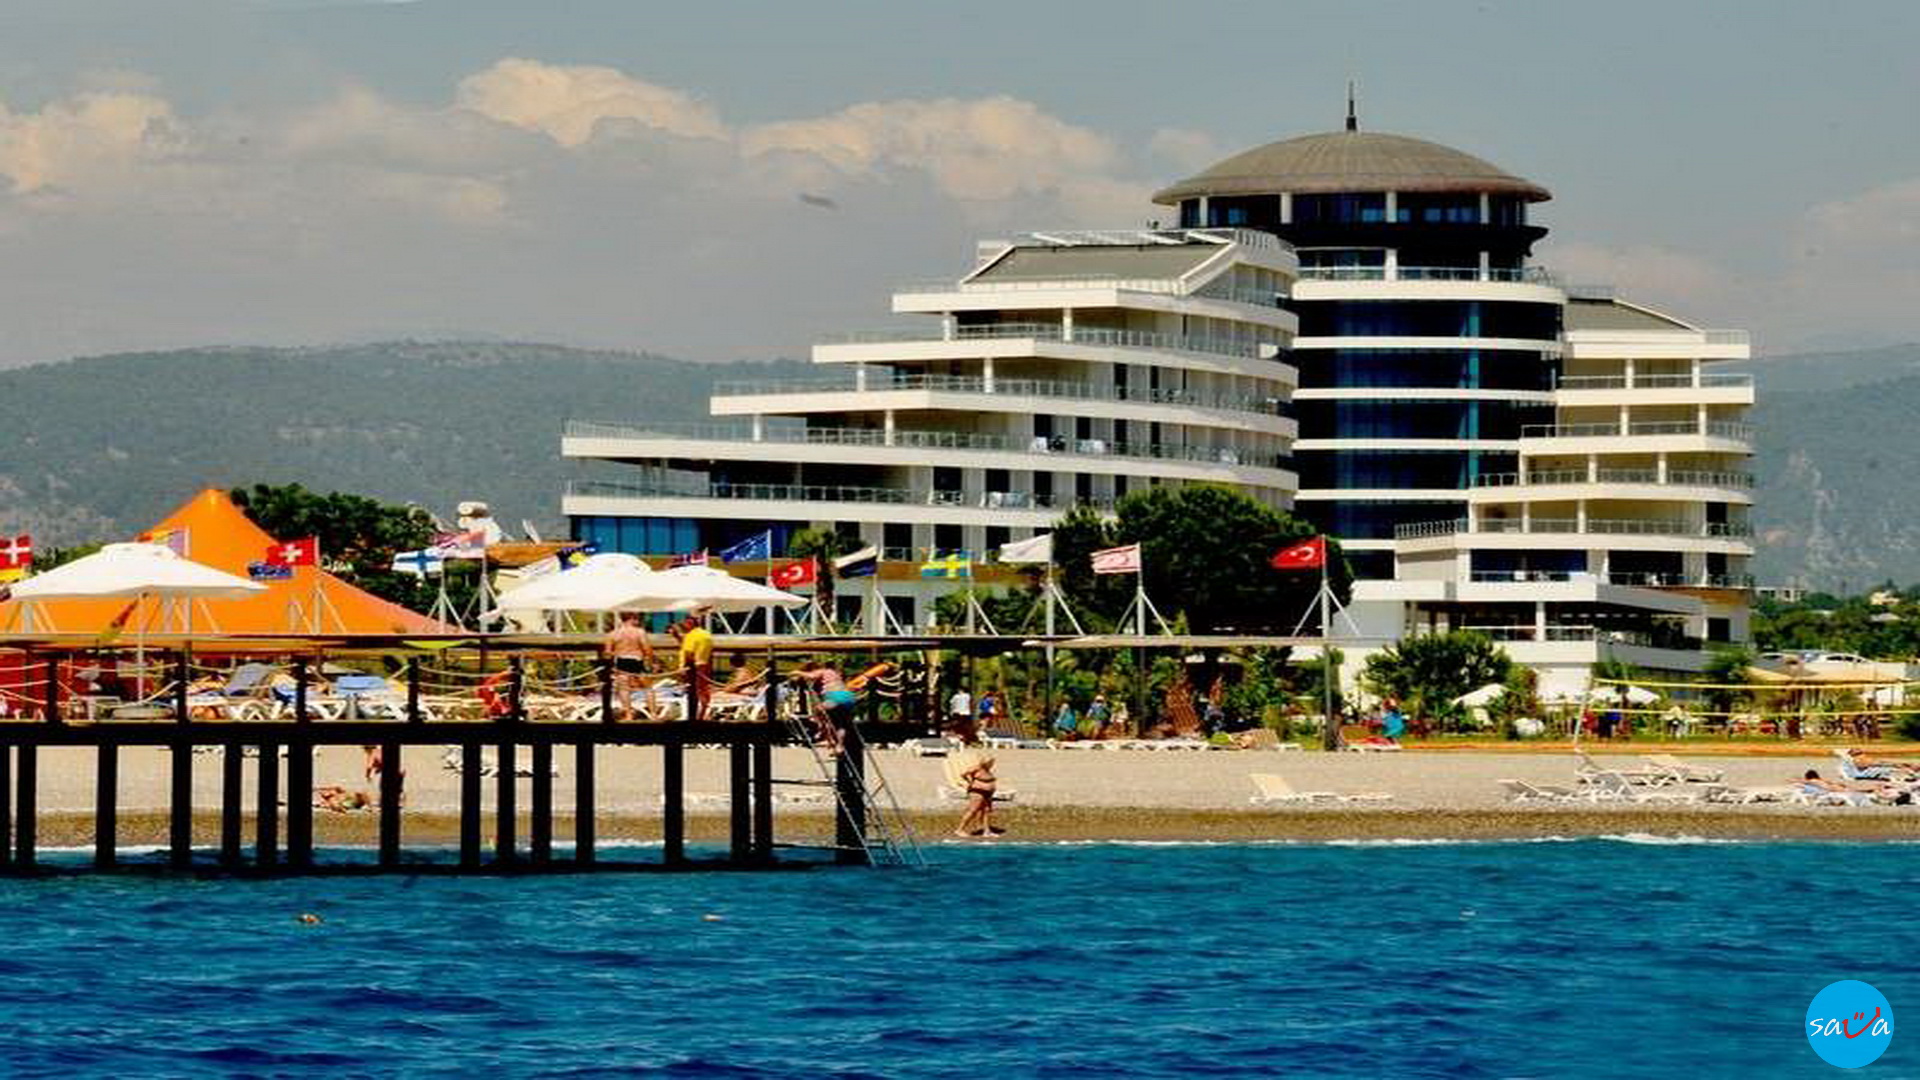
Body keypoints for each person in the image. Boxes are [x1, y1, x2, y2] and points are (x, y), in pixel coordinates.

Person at [793, 660, 855, 754]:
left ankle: (822, 731)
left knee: (818, 709)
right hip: (848, 697)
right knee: (840, 724)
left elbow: (811, 676)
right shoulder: (834, 674)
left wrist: (797, 672)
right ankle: (839, 746)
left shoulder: (824, 671)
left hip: (835, 696)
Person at [604, 611, 654, 722]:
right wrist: (650, 662)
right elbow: (647, 648)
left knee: (624, 689)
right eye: (636, 618)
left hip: (622, 660)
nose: (638, 621)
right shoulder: (639, 632)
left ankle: (628, 715)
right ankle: (653, 714)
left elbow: (607, 652)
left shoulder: (613, 634)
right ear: (632, 618)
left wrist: (617, 655)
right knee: (648, 687)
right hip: (637, 659)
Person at [673, 608, 715, 721]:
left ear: (690, 623)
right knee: (703, 691)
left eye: (685, 622)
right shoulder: (706, 634)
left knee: (693, 693)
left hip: (693, 667)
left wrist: (684, 669)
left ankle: (694, 717)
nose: (683, 624)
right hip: (705, 665)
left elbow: (689, 653)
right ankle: (702, 714)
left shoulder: (691, 636)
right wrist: (677, 636)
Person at [953, 751, 1004, 837]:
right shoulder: (977, 768)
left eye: (992, 762)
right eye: (990, 762)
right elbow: (963, 774)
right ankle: (959, 829)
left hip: (988, 792)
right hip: (977, 791)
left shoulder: (987, 770)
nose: (992, 764)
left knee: (986, 810)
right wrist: (970, 782)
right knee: (973, 810)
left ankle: (987, 831)